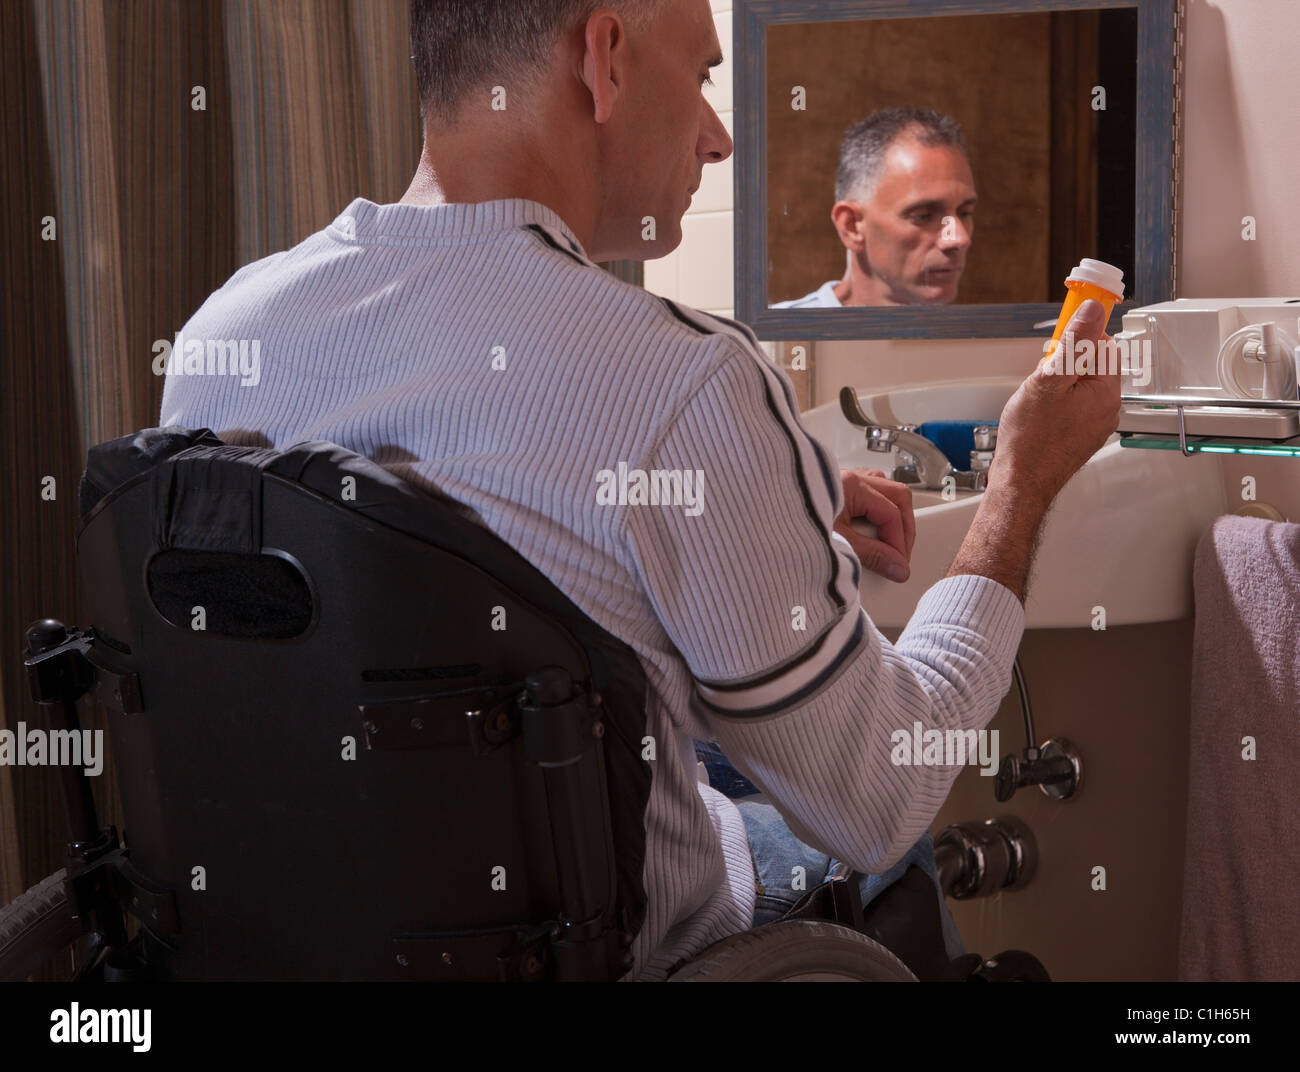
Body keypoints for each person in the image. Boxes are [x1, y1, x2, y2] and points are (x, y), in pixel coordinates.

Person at [159, 0, 1119, 980]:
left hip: (305, 931)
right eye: (702, 76)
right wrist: (1020, 484)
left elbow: (416, 539)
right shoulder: (682, 378)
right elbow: (876, 792)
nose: (719, 136)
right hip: (611, 944)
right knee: (891, 838)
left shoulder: (221, 337)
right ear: (605, 57)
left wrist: (756, 511)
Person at [774, 107, 977, 307]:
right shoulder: (770, 337)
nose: (960, 239)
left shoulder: (979, 336)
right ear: (851, 226)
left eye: (964, 213)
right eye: (923, 216)